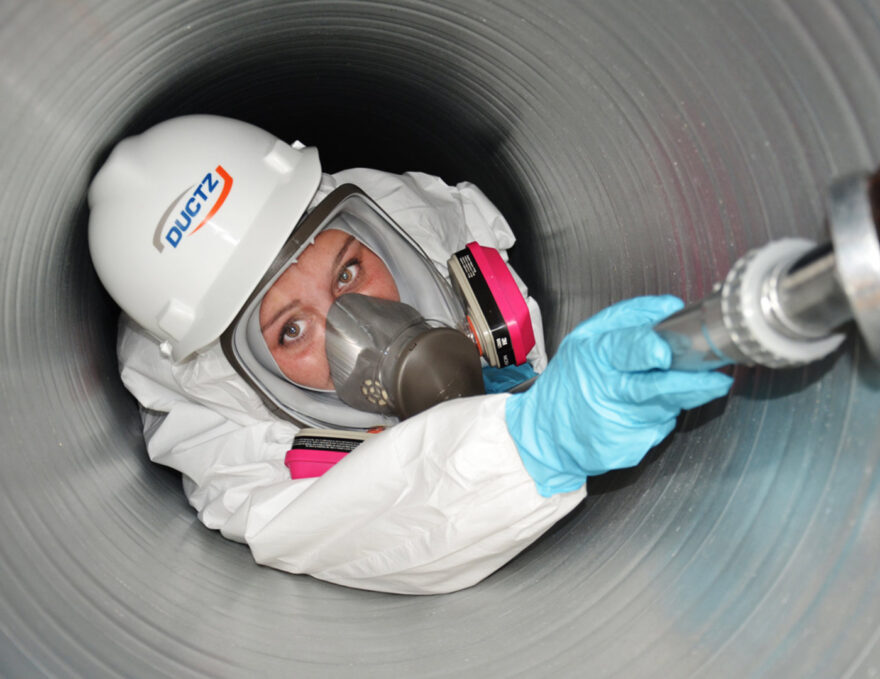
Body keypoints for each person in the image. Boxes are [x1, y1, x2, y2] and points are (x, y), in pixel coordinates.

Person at [88, 115, 732, 594]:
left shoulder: (416, 221)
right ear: (233, 373)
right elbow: (375, 530)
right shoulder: (231, 446)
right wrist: (539, 443)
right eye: (291, 331)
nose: (358, 326)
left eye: (347, 275)